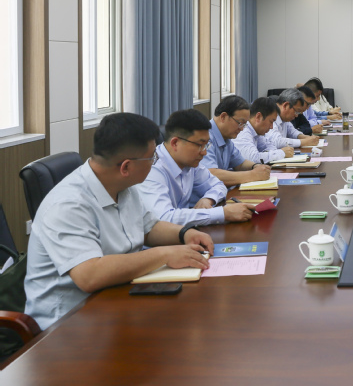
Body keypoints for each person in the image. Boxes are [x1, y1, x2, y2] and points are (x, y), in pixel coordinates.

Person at [24, 113, 214, 330]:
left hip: (117, 300)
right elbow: (89, 275)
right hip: (69, 325)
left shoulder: (123, 186)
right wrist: (164, 254)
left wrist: (184, 233)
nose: (155, 163)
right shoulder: (68, 205)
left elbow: (149, 227)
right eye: (152, 158)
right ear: (126, 167)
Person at [139, 109, 255, 225]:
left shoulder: (190, 163)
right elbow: (164, 218)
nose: (204, 152)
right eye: (200, 145)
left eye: (206, 145)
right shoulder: (151, 170)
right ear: (175, 143)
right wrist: (222, 213)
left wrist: (208, 199)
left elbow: (218, 184)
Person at [200, 95, 272, 186]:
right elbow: (211, 174)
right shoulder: (205, 137)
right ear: (223, 117)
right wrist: (252, 175)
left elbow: (240, 164)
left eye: (244, 124)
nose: (242, 129)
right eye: (240, 123)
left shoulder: (226, 137)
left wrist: (255, 166)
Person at [236, 96, 294, 163]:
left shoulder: (256, 132)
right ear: (258, 117)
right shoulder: (243, 131)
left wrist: (275, 153)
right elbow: (253, 158)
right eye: (271, 121)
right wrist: (282, 153)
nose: (271, 127)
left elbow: (268, 146)